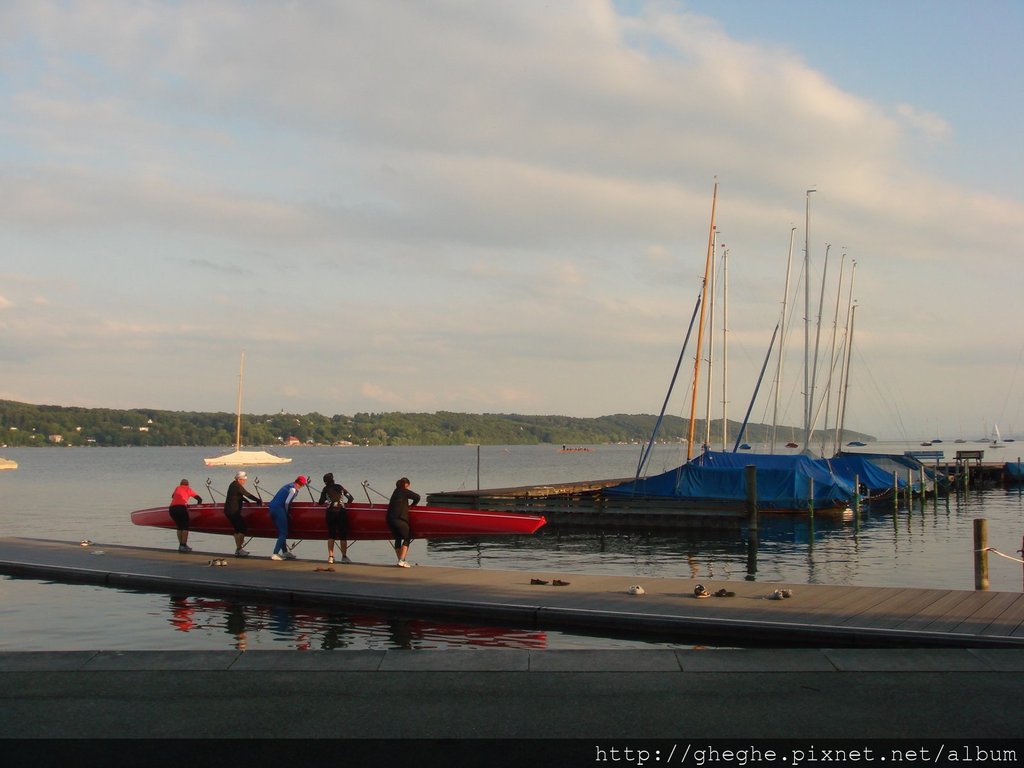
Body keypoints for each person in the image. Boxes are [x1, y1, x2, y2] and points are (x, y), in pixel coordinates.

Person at [318, 472, 354, 564]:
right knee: (343, 535)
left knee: (331, 535)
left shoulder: (325, 489)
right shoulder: (340, 487)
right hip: (341, 511)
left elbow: (321, 502)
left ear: (325, 482)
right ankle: (344, 557)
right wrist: (345, 504)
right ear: (333, 479)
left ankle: (330, 557)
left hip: (330, 512)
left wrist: (326, 498)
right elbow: (351, 498)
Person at [223, 470, 260, 557]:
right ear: (240, 479)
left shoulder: (233, 485)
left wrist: (245, 500)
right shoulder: (237, 485)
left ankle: (238, 549)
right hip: (233, 511)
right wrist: (257, 500)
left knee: (237, 530)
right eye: (244, 480)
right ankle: (239, 549)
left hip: (228, 511)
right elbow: (247, 494)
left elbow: (238, 495)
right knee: (243, 528)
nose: (245, 482)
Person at [268, 475, 307, 561]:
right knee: (284, 532)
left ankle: (285, 552)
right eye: (303, 485)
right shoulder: (293, 490)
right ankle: (275, 553)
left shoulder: (288, 485)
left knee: (281, 531)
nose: (302, 486)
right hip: (279, 509)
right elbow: (287, 502)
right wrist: (287, 512)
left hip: (272, 508)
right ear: (301, 484)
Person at [386, 476, 419, 568]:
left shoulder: (395, 492)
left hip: (389, 519)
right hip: (400, 519)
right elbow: (417, 497)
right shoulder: (404, 491)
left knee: (398, 538)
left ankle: (401, 560)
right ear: (406, 485)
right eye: (408, 485)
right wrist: (412, 505)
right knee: (407, 538)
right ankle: (402, 560)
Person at [168, 479, 203, 553]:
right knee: (185, 527)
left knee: (179, 527)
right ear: (188, 484)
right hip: (181, 508)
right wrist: (198, 506)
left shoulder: (177, 488)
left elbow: (172, 496)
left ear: (180, 484)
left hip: (172, 509)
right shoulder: (188, 489)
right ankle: (183, 545)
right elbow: (199, 499)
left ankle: (181, 545)